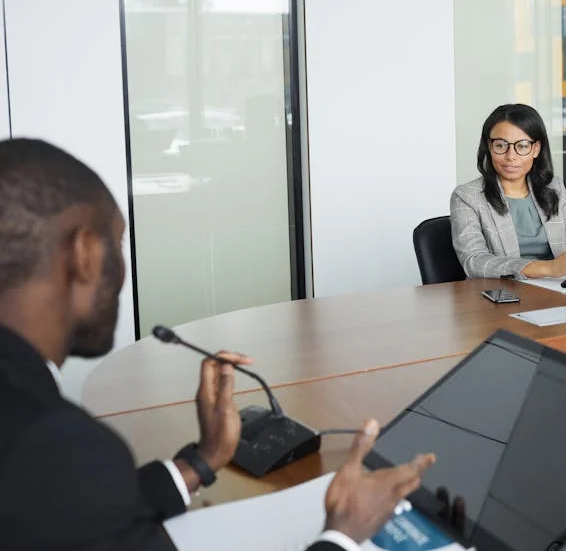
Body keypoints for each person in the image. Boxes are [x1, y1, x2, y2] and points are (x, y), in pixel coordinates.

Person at [0, 138, 435, 551]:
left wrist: (201, 462)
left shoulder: (31, 433)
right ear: (84, 253)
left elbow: (59, 520)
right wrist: (342, 535)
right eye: (117, 244)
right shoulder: (55, 445)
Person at [451, 103, 566, 279]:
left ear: (536, 149)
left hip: (556, 289)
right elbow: (474, 261)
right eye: (500, 145)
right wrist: (548, 268)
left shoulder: (554, 188)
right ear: (489, 147)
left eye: (522, 146)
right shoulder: (467, 196)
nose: (511, 156)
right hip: (502, 295)